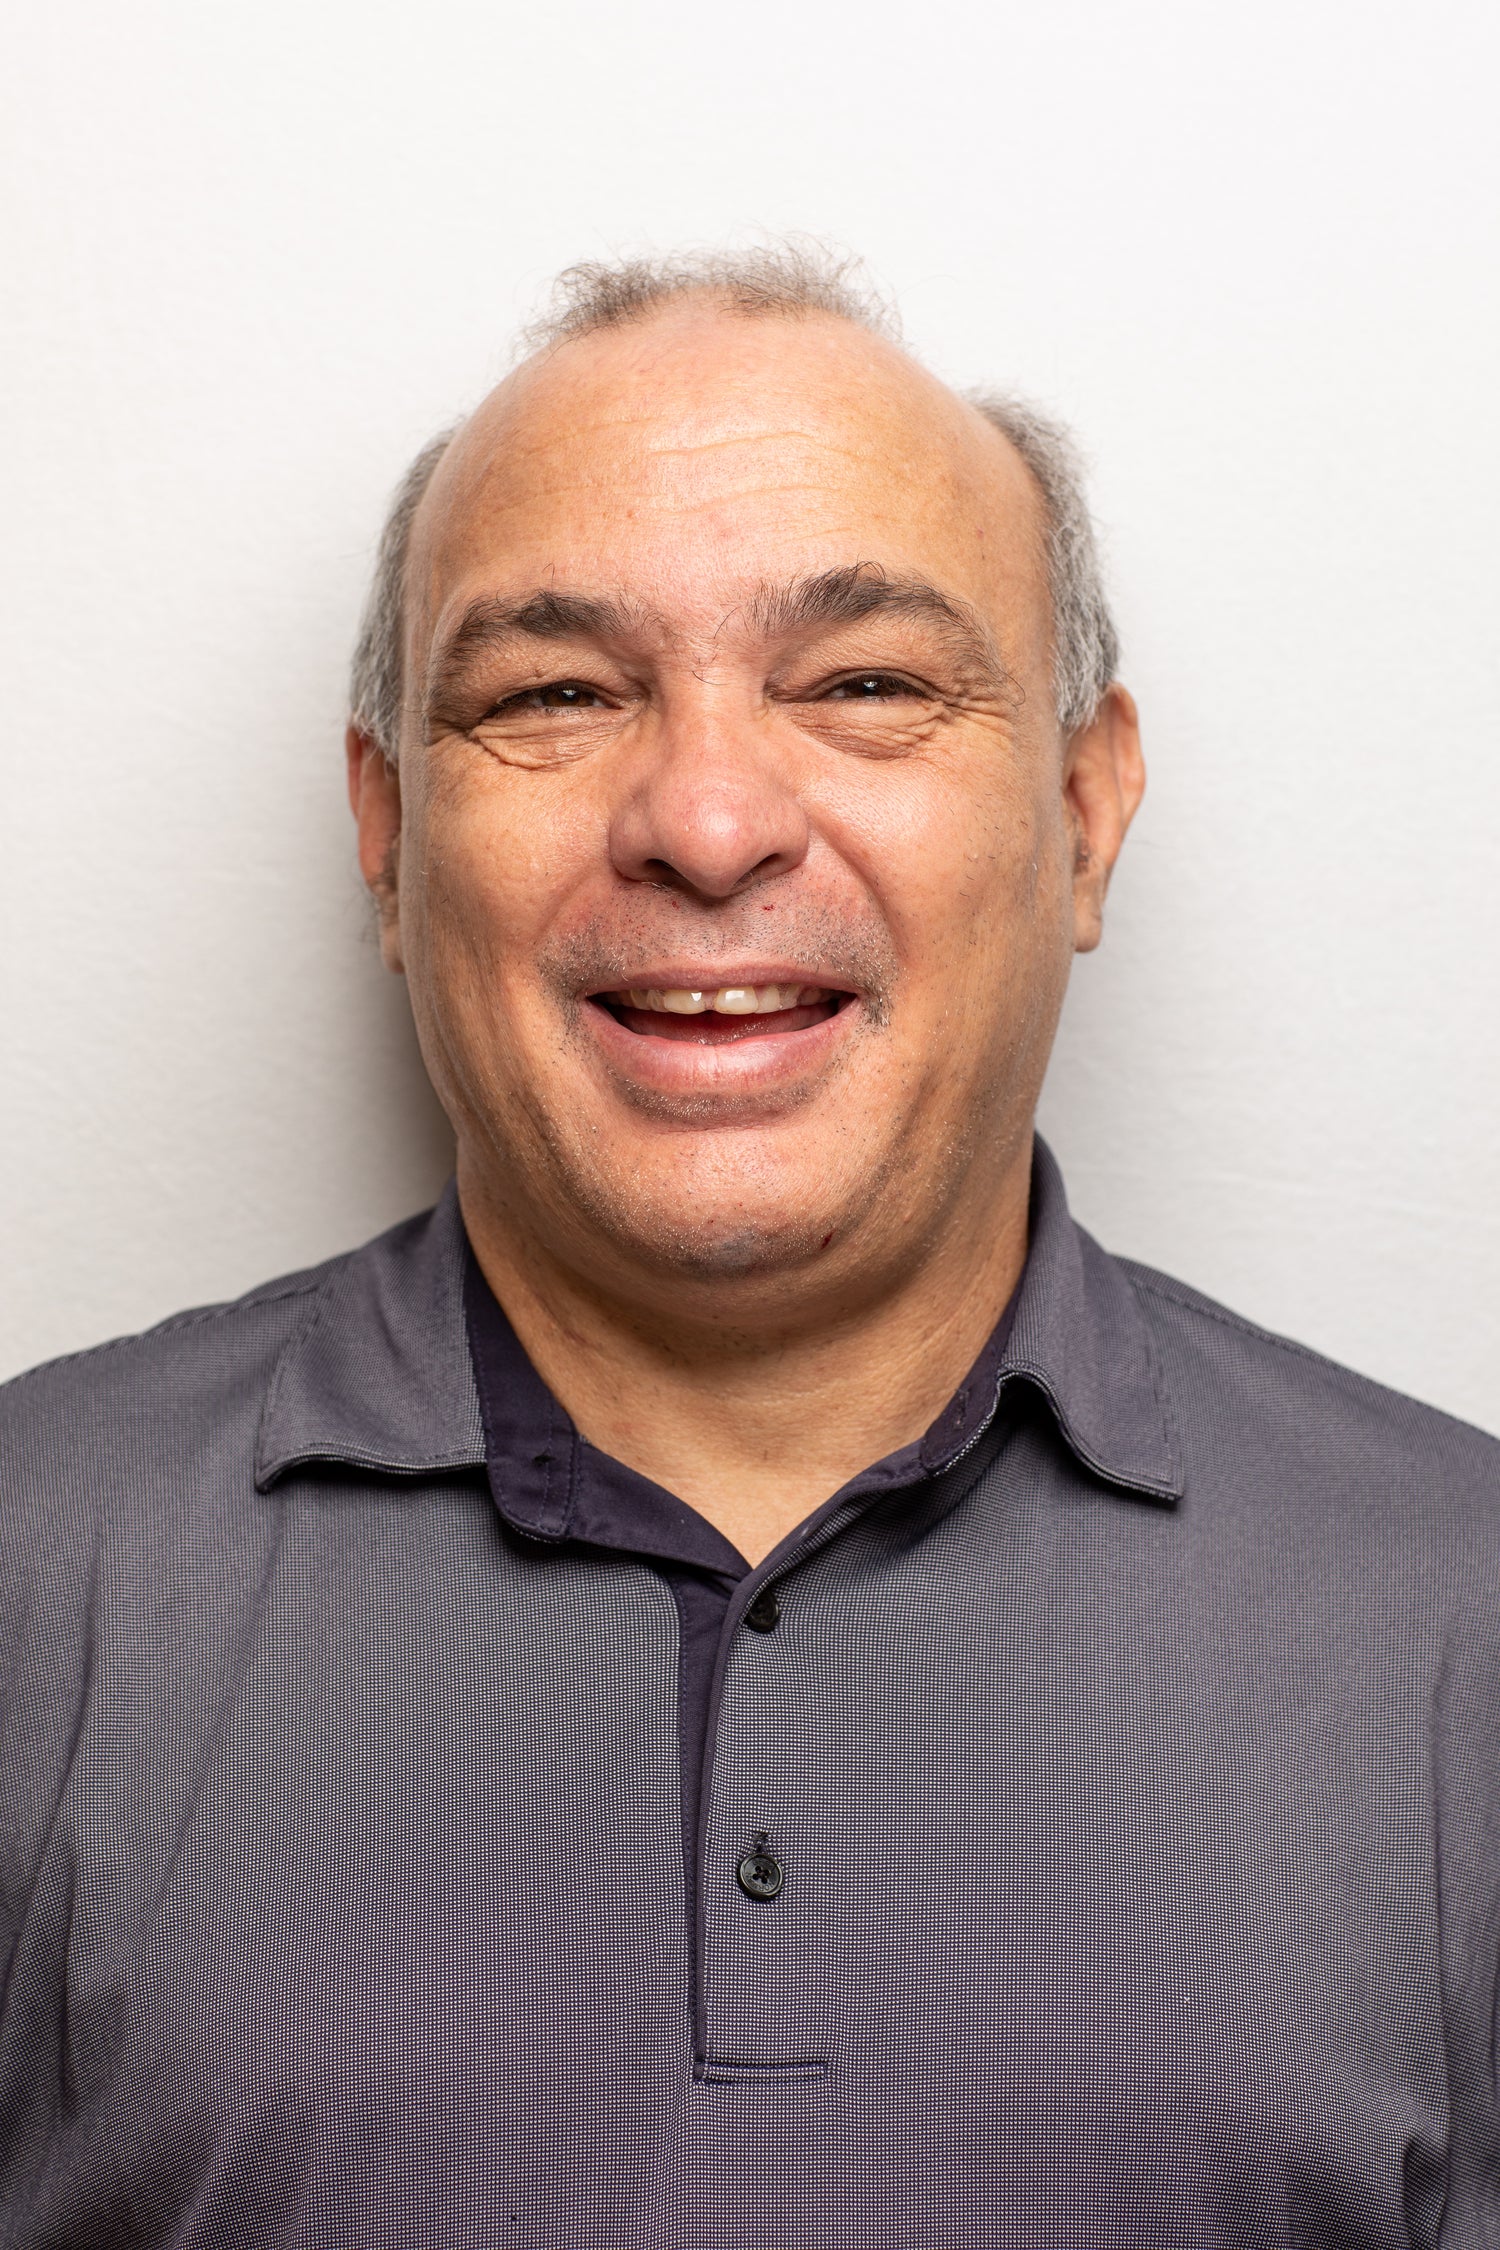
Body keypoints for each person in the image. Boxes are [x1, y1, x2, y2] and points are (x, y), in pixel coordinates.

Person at [1, 244, 1495, 2250]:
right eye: (554, 695)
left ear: (1083, 810)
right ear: (388, 838)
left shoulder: (1462, 1618)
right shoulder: (32, 1571)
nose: (707, 821)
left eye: (867, 683)